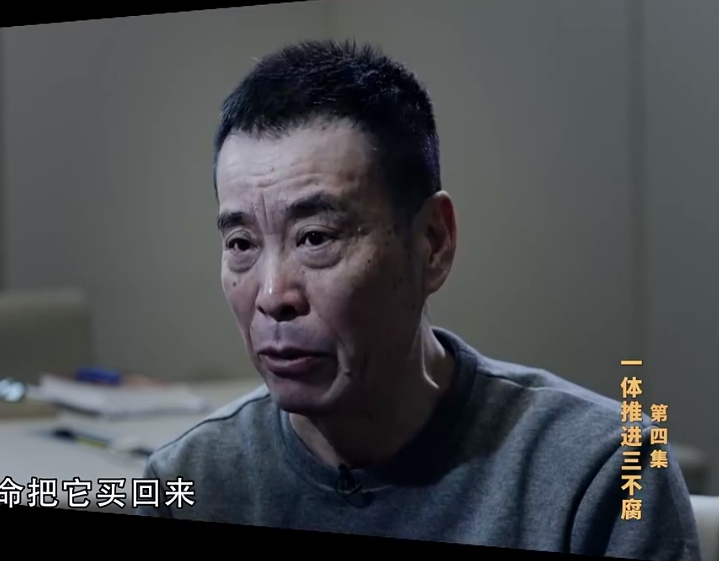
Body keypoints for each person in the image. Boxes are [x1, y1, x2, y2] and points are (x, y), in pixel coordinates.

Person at [134, 40, 701, 560]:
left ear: (432, 242)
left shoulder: (611, 472)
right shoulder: (187, 483)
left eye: (316, 238)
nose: (273, 295)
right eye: (241, 244)